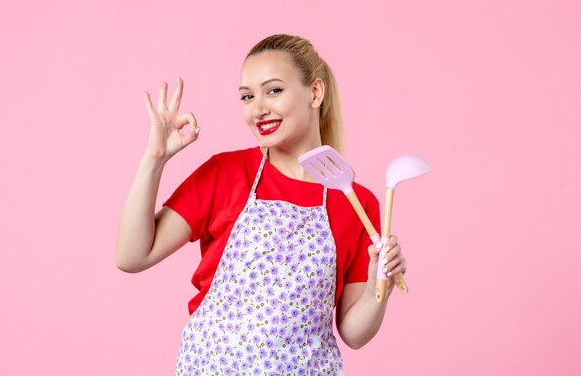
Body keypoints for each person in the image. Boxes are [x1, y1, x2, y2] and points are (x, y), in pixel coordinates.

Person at [116, 34, 408, 375]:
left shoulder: (355, 203)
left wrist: (380, 282)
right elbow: (132, 257)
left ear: (315, 92)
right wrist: (154, 159)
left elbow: (354, 333)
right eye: (247, 96)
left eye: (274, 90)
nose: (258, 108)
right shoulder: (224, 174)